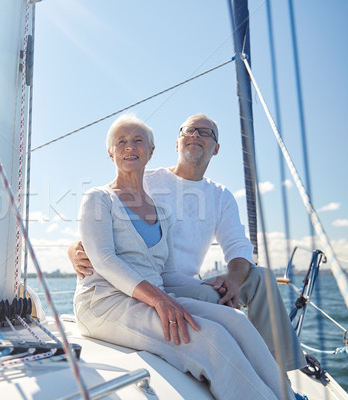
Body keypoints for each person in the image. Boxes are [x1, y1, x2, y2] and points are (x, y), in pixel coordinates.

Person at [74, 113, 296, 399]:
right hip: (104, 301)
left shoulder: (162, 211)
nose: (130, 146)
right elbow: (103, 257)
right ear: (110, 152)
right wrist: (159, 299)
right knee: (212, 339)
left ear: (151, 151)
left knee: (236, 321)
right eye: (122, 142)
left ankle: (287, 394)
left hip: (157, 291)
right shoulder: (98, 197)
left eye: (138, 140)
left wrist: (210, 288)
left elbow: (166, 274)